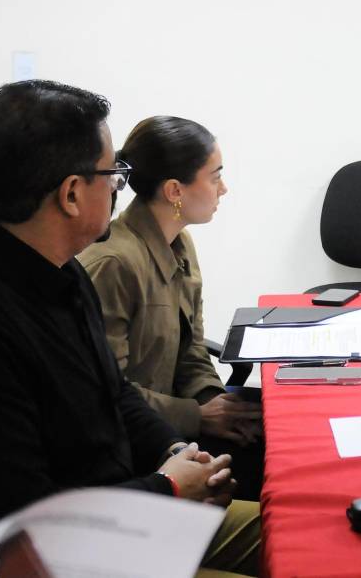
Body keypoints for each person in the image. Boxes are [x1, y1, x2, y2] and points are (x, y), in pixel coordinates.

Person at [0, 81, 259, 575]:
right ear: (72, 194)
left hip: (128, 505)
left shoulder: (58, 263)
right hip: (73, 553)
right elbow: (23, 526)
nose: (121, 187)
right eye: (113, 175)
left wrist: (175, 451)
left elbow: (113, 391)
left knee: (295, 531)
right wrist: (167, 488)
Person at [79, 116, 264, 501]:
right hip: (140, 447)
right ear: (175, 190)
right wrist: (199, 417)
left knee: (274, 434)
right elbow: (107, 394)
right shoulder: (113, 264)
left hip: (176, 423)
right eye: (215, 177)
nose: (223, 188)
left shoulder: (180, 244)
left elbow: (191, 347)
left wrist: (218, 405)